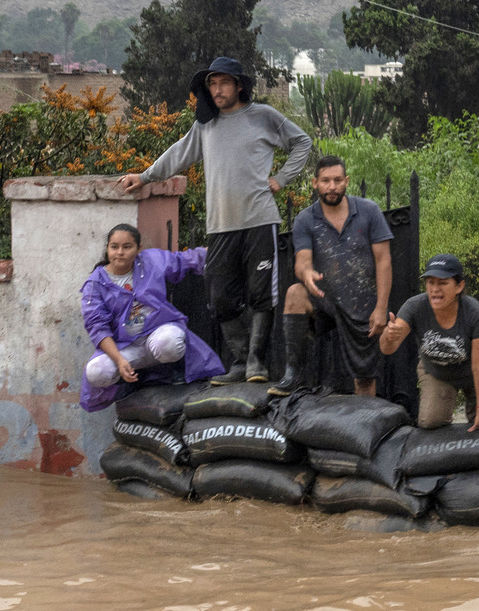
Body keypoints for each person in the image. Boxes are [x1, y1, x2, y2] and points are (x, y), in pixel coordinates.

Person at [118, 57, 312, 385]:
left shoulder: (262, 116)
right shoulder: (206, 126)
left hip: (259, 220)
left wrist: (281, 178)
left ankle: (256, 362)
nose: (217, 89)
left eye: (223, 82)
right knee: (220, 295)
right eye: (212, 83)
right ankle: (238, 360)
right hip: (220, 225)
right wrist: (146, 176)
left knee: (261, 293)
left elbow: (302, 142)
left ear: (239, 85)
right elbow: (179, 153)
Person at [268, 156, 392, 398]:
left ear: (346, 181)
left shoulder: (369, 211)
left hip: (362, 304)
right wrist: (307, 274)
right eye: (325, 180)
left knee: (365, 381)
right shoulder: (305, 219)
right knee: (294, 293)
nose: (332, 186)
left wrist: (381, 308)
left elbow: (384, 261)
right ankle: (293, 374)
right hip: (323, 298)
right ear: (315, 183)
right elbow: (302, 260)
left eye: (337, 180)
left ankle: (364, 424)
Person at [79, 224, 224, 412]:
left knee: (170, 343)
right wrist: (120, 361)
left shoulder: (151, 261)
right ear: (107, 249)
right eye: (114, 247)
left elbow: (184, 260)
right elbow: (97, 328)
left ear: (139, 249)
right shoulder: (95, 284)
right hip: (125, 348)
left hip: (158, 335)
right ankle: (129, 384)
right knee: (96, 372)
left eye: (127, 247)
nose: (120, 252)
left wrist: (222, 247)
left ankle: (173, 372)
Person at [380, 254, 479, 432]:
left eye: (443, 283)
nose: (435, 289)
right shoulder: (414, 307)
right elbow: (387, 349)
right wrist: (388, 336)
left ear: (459, 286)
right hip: (436, 370)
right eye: (430, 282)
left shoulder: (476, 314)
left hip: (475, 366)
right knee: (429, 422)